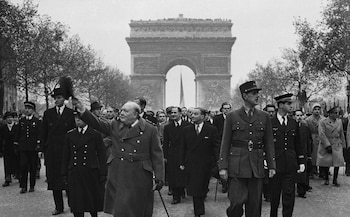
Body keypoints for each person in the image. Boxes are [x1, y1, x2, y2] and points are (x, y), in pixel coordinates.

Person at [73, 99, 164, 217]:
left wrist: (159, 178)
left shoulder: (150, 129)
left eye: (125, 111)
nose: (121, 113)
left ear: (135, 114)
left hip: (140, 173)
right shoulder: (115, 125)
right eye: (121, 110)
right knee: (121, 208)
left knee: (139, 208)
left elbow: (157, 155)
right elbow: (97, 123)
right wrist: (82, 109)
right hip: (119, 171)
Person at [218, 81, 276, 217]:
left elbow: (268, 144)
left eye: (258, 93)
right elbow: (225, 143)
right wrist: (223, 166)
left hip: (256, 166)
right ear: (245, 95)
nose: (258, 96)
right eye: (254, 93)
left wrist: (272, 165)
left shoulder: (264, 116)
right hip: (237, 166)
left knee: (254, 206)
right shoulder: (232, 116)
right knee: (236, 203)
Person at [61, 112, 107, 217]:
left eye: (80, 119)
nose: (78, 121)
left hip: (90, 171)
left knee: (91, 200)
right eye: (76, 119)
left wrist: (103, 172)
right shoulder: (70, 135)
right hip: (75, 171)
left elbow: (101, 155)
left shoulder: (95, 134)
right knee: (77, 201)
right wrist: (64, 172)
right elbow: (66, 155)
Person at [179, 107, 220, 217]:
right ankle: (198, 210)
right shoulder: (186, 130)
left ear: (203, 116)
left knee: (203, 186)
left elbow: (216, 147)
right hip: (191, 164)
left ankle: (200, 203)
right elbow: (182, 147)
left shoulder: (211, 130)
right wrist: (181, 162)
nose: (192, 116)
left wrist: (218, 162)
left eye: (196, 114)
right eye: (192, 114)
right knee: (194, 187)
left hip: (206, 164)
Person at [41, 88, 76, 215]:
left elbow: (74, 134)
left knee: (69, 179)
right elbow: (43, 132)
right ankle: (58, 207)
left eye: (59, 97)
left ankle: (73, 205)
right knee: (54, 180)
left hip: (67, 152)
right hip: (52, 152)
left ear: (64, 99)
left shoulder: (71, 114)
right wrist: (42, 149)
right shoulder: (48, 114)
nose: (56, 100)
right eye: (55, 98)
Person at [269, 94, 305, 217]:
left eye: (291, 103)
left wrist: (301, 161)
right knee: (274, 195)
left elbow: (298, 144)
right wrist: (266, 160)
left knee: (289, 195)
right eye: (288, 104)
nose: (291, 106)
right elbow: (265, 143)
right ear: (280, 105)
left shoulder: (293, 122)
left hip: (290, 163)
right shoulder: (270, 122)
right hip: (275, 164)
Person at [163, 106, 191, 204]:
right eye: (171, 113)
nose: (173, 115)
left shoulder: (187, 125)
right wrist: (165, 156)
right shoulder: (168, 127)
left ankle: (182, 190)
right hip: (173, 154)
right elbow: (166, 143)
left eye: (175, 113)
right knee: (173, 175)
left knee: (182, 173)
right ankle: (176, 196)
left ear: (180, 113)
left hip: (185, 153)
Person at [15, 101, 41, 193]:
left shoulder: (37, 121)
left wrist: (39, 147)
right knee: (23, 166)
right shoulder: (21, 121)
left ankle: (32, 185)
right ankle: (23, 186)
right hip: (23, 147)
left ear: (33, 110)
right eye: (26, 108)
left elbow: (39, 134)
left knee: (33, 167)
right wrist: (16, 144)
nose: (27, 110)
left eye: (29, 108)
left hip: (33, 148)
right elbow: (17, 134)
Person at [317, 106, 346, 186]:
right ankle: (326, 178)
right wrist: (327, 145)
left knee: (338, 162)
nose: (337, 114)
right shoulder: (323, 121)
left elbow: (341, 133)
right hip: (327, 143)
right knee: (327, 162)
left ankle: (335, 179)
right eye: (335, 113)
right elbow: (321, 134)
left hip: (337, 143)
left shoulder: (339, 121)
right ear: (329, 114)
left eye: (337, 113)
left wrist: (343, 144)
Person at [294, 109, 313, 198]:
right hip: (293, 152)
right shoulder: (291, 126)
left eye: (301, 115)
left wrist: (309, 154)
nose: (299, 117)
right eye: (297, 115)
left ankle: (301, 191)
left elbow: (309, 141)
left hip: (303, 152)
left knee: (303, 172)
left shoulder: (305, 127)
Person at [213, 102, 232, 193]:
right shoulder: (217, 119)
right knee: (221, 164)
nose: (226, 110)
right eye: (225, 108)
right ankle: (224, 184)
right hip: (220, 143)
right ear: (222, 109)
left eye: (228, 108)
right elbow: (215, 131)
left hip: (231, 144)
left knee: (231, 164)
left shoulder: (233, 117)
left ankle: (230, 184)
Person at [0, 112, 19, 187]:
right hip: (7, 149)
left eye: (10, 117)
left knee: (17, 162)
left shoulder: (17, 127)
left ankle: (19, 175)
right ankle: (7, 178)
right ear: (5, 119)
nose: (9, 119)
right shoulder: (3, 128)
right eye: (7, 118)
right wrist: (1, 150)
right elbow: (1, 139)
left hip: (15, 148)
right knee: (7, 163)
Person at [305, 103, 324, 178]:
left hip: (321, 137)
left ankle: (322, 171)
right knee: (312, 154)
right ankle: (313, 170)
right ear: (312, 110)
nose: (317, 111)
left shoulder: (323, 119)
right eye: (315, 109)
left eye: (318, 109)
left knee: (322, 154)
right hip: (312, 137)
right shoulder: (308, 120)